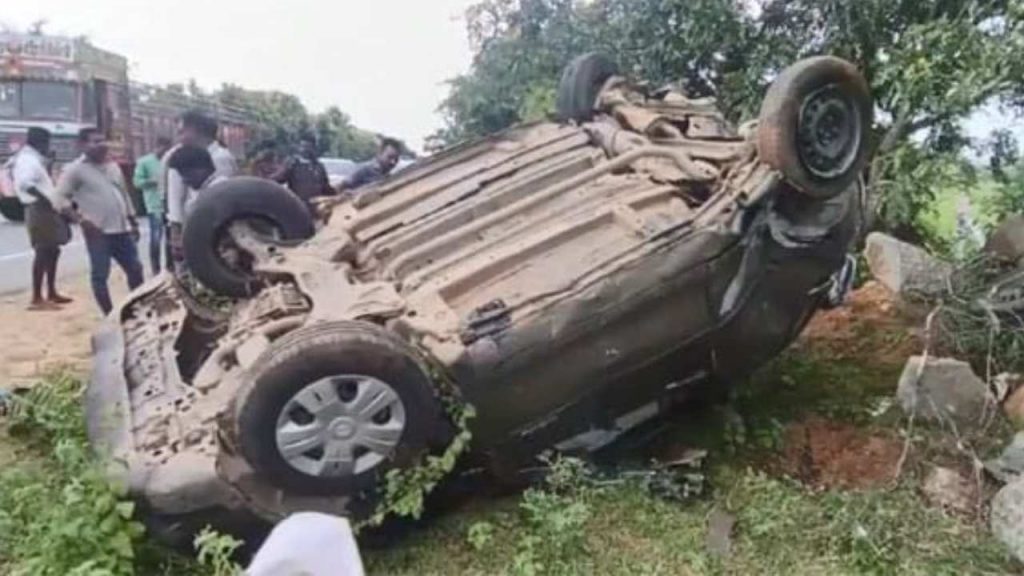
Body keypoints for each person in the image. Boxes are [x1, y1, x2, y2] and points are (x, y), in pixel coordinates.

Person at [56, 128, 144, 315]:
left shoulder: (113, 167)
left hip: (122, 230)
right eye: (95, 141)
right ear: (82, 145)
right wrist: (80, 219)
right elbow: (59, 198)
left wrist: (132, 220)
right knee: (100, 276)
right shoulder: (75, 170)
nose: (101, 145)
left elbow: (124, 194)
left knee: (135, 270)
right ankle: (109, 315)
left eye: (103, 140)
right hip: (99, 233)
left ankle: (137, 310)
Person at [165, 109, 238, 264]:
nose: (179, 138)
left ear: (196, 130)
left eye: (182, 132)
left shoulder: (219, 158)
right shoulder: (186, 155)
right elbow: (177, 200)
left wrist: (179, 234)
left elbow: (217, 205)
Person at [10, 127, 72, 310]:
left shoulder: (35, 159)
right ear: (40, 142)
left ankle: (51, 292)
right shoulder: (27, 160)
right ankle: (37, 298)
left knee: (53, 250)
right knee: (43, 250)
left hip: (45, 208)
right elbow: (26, 184)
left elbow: (40, 181)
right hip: (39, 208)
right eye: (47, 142)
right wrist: (47, 200)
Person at [133, 136, 173, 275]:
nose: (165, 152)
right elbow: (137, 182)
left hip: (170, 206)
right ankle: (155, 269)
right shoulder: (144, 162)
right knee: (156, 238)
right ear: (157, 146)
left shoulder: (170, 161)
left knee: (171, 239)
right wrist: (152, 181)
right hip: (154, 205)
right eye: (163, 149)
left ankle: (170, 268)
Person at [271, 132, 332, 208]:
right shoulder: (293, 164)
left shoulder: (319, 167)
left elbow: (326, 188)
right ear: (299, 147)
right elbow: (278, 179)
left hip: (316, 208)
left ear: (313, 148)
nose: (305, 149)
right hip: (297, 207)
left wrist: (339, 195)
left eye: (308, 147)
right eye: (303, 146)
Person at [336, 137, 402, 195]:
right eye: (390, 157)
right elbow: (341, 186)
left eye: (396, 159)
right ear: (380, 154)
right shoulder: (365, 169)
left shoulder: (389, 177)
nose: (393, 162)